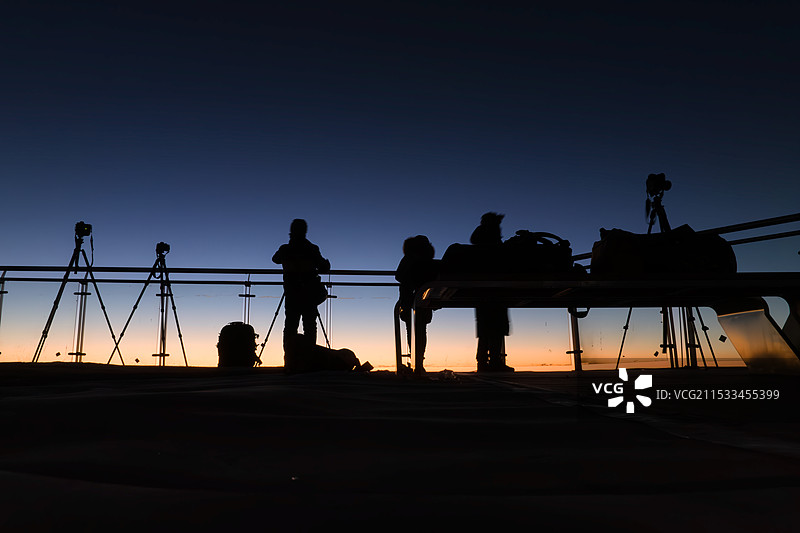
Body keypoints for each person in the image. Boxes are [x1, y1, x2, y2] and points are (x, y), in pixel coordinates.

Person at [272, 219, 330, 349]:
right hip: (309, 293)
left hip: (291, 292)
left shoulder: (285, 249)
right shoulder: (312, 249)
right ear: (305, 231)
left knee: (290, 325)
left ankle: (289, 358)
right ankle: (309, 358)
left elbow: (275, 259)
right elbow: (323, 267)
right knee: (309, 325)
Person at [470, 212, 513, 372]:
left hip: (482, 291)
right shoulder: (494, 247)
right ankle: (493, 361)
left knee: (486, 328)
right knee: (496, 327)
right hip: (495, 289)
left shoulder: (478, 245)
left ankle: (484, 362)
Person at [396, 235, 439, 373]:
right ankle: (418, 361)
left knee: (413, 330)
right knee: (420, 330)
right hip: (423, 299)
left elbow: (399, 276)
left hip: (410, 299)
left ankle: (416, 361)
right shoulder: (428, 261)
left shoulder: (408, 259)